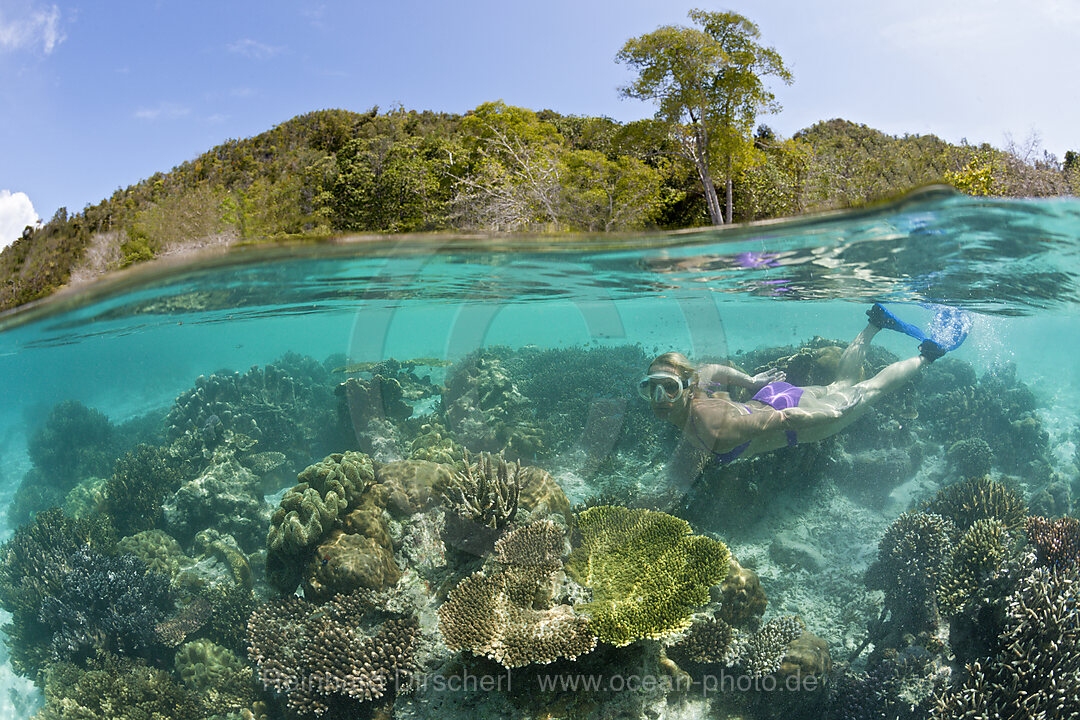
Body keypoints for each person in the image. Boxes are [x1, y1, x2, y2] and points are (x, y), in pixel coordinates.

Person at [640, 304, 960, 468]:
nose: (659, 398)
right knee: (844, 381)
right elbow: (712, 368)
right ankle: (875, 322)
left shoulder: (712, 428)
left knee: (871, 389)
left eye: (668, 387)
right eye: (650, 387)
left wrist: (832, 415)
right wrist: (751, 381)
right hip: (773, 397)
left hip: (797, 418)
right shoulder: (698, 382)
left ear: (685, 383)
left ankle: (928, 355)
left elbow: (785, 420)